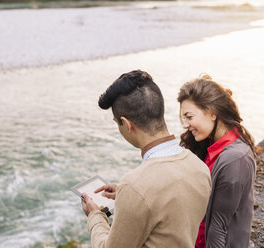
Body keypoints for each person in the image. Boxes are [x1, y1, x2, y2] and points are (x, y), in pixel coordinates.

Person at [80, 70, 212, 248]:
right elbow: (169, 211)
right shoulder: (199, 167)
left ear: (126, 124)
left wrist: (96, 216)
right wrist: (124, 194)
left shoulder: (135, 187)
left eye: (116, 122)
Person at [177, 75, 256, 248]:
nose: (185, 124)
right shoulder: (206, 144)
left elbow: (219, 229)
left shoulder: (235, 160)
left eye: (189, 117)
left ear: (212, 113)